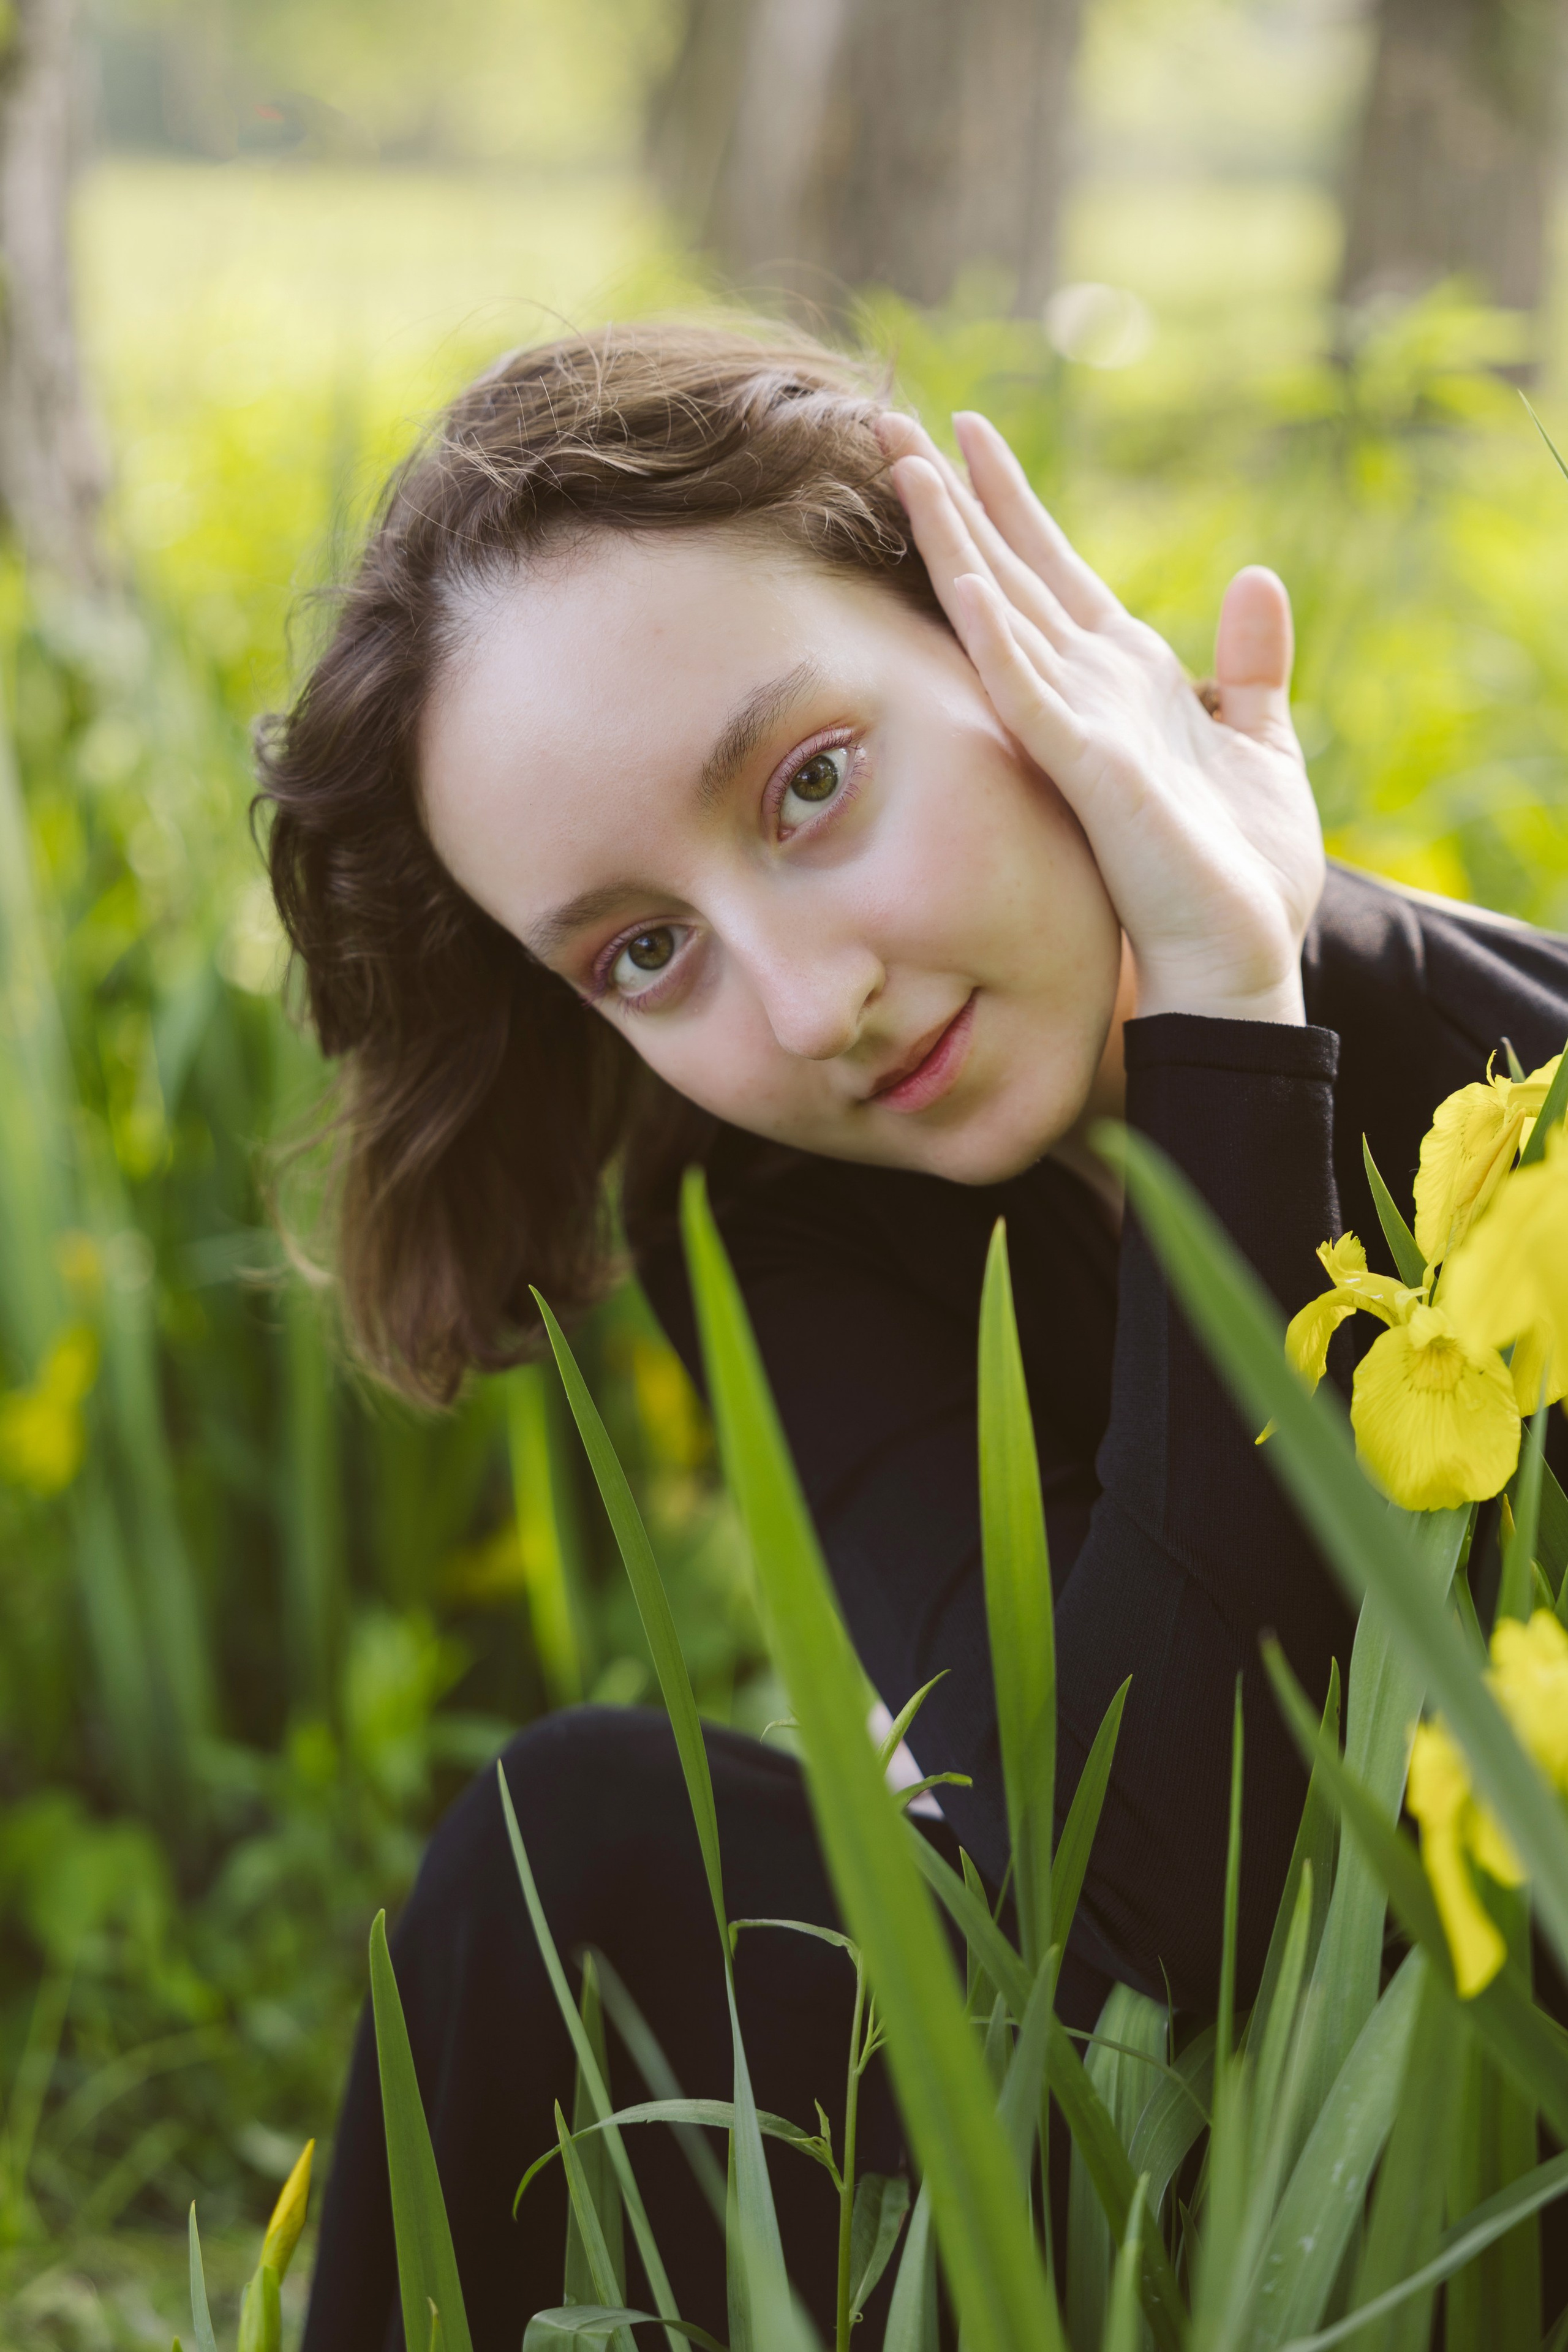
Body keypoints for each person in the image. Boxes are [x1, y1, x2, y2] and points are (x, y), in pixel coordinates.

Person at [261, 322, 1568, 2350]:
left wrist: (1239, 992)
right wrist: (1223, 1023)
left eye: (811, 784)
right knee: (575, 1852)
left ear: (1003, 635)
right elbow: (1158, 1904)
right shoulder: (781, 1217)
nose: (808, 1009)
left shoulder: (1523, 1083)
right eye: (645, 951)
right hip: (1228, 2178)